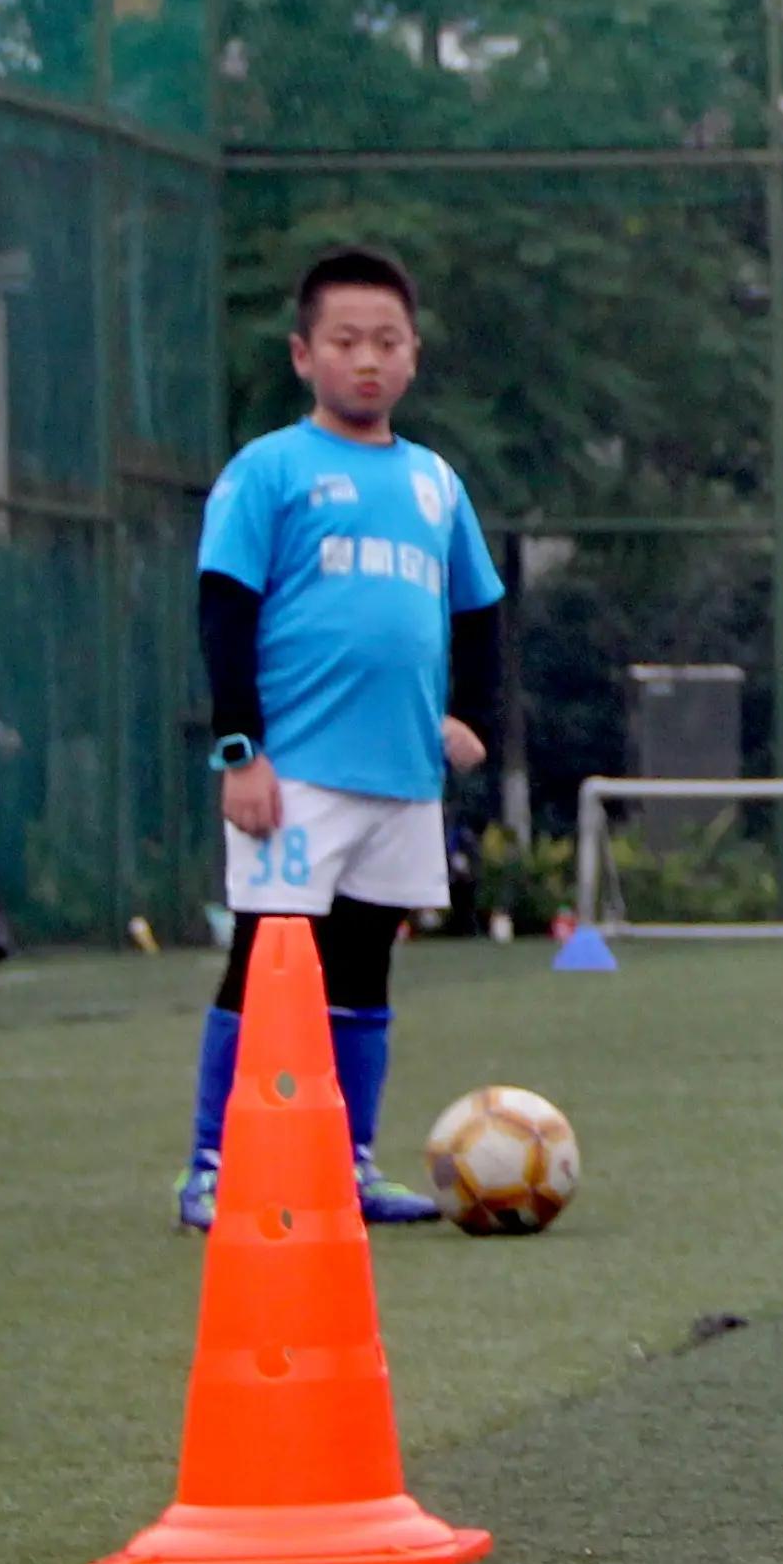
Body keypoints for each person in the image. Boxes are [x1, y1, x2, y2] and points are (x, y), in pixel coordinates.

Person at [179, 246, 506, 1232]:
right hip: (295, 777)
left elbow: (481, 612)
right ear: (303, 354)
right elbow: (222, 609)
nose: (368, 360)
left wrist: (472, 719)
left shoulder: (435, 483)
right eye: (346, 341)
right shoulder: (269, 469)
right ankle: (211, 1166)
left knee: (365, 970)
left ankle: (346, 1166)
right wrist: (241, 750)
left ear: (413, 355)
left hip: (400, 779)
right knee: (269, 962)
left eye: (387, 341)